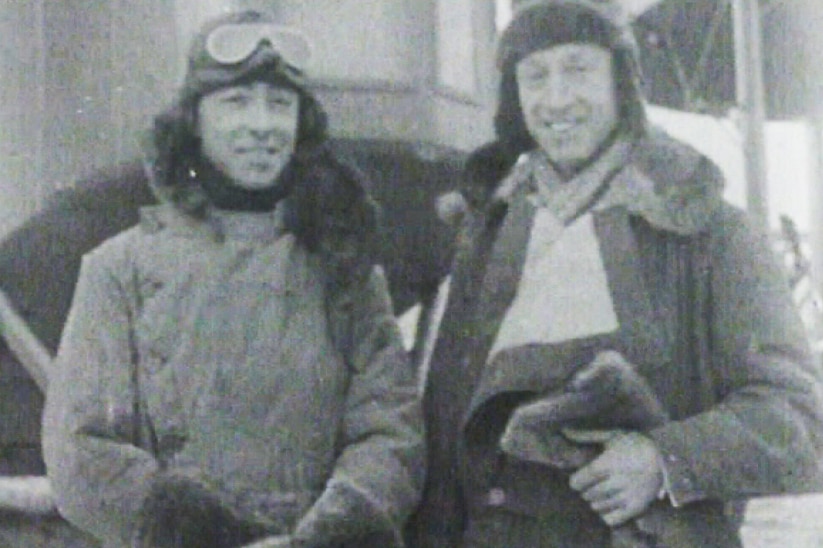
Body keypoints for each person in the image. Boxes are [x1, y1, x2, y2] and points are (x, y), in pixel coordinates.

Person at [408, 0, 823, 546]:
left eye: (578, 69)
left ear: (621, 83)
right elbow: (443, 436)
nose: (556, 99)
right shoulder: (484, 234)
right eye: (535, 75)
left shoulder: (708, 231)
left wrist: (664, 459)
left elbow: (799, 421)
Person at [42, 10, 424, 548]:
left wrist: (319, 539)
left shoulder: (345, 267)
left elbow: (390, 433)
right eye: (236, 102)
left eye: (280, 104)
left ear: (301, 124)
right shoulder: (117, 270)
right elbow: (81, 451)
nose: (262, 125)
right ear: (195, 120)